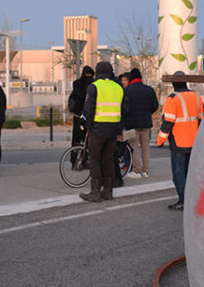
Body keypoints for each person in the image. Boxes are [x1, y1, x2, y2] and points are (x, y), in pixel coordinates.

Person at [156, 71, 204, 210]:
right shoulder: (196, 97)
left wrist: (160, 141)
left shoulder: (172, 99)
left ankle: (184, 201)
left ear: (173, 84)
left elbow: (167, 123)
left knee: (179, 174)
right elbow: (201, 119)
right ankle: (192, 199)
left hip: (179, 143)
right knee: (190, 173)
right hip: (194, 143)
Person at [79, 61, 123, 202]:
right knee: (108, 159)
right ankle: (108, 191)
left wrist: (89, 126)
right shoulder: (119, 87)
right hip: (113, 129)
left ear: (98, 71)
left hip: (98, 129)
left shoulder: (94, 87)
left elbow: (89, 109)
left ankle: (95, 192)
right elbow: (125, 108)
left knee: (95, 160)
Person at [121, 67, 159, 179]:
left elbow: (124, 107)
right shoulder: (149, 90)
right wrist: (147, 112)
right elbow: (155, 106)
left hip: (132, 123)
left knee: (134, 147)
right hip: (146, 123)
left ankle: (136, 171)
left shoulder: (127, 90)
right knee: (145, 147)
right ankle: (145, 171)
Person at [68, 65, 95, 162]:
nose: (88, 76)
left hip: (89, 116)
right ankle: (74, 160)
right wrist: (88, 85)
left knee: (87, 140)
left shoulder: (94, 84)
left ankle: (85, 159)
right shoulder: (77, 84)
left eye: (90, 75)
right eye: (87, 74)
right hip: (78, 115)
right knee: (77, 139)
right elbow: (80, 96)